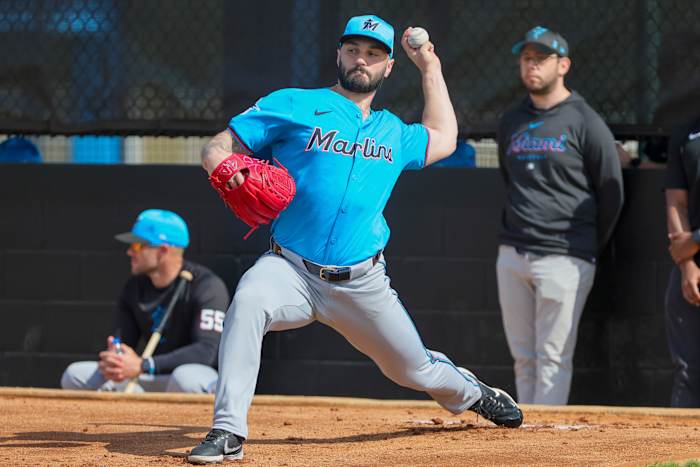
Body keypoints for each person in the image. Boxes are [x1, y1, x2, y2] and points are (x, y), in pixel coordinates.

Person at [187, 14, 522, 464]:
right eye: (353, 50)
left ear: (387, 67)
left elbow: (444, 137)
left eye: (373, 54)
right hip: (290, 268)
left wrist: (430, 67)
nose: (361, 59)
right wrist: (220, 167)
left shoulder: (394, 133)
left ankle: (471, 392)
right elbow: (217, 145)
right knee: (247, 301)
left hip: (361, 281)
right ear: (338, 54)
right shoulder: (293, 104)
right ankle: (228, 431)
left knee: (412, 368)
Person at [495, 26, 624, 405]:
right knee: (524, 359)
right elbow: (509, 177)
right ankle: (529, 439)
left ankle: (544, 446)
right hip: (513, 253)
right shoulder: (511, 120)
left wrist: (584, 247)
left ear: (563, 65)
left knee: (553, 358)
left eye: (541, 58)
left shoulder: (585, 120)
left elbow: (611, 189)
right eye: (525, 58)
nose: (531, 65)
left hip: (566, 256)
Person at [61, 209, 229, 393]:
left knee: (185, 379)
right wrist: (116, 357)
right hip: (146, 375)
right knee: (75, 374)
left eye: (137, 246)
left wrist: (146, 364)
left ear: (163, 250)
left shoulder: (207, 286)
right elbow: (124, 342)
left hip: (184, 377)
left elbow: (208, 352)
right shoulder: (135, 286)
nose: (129, 252)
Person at [664, 117, 700, 407]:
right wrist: (687, 262)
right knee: (688, 372)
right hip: (691, 269)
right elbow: (676, 202)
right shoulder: (686, 131)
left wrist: (694, 241)